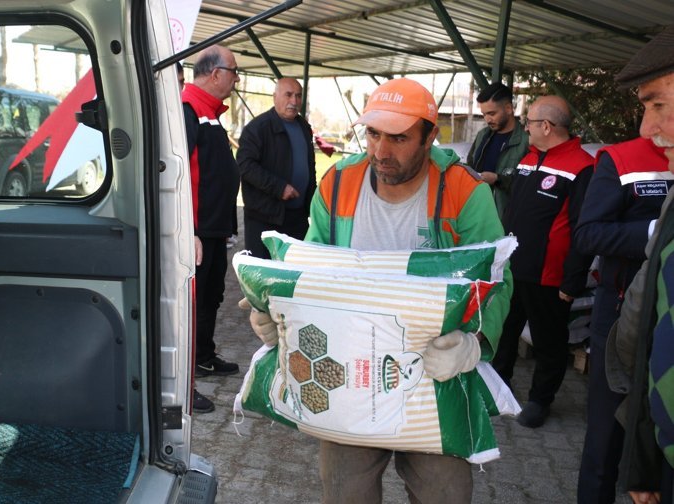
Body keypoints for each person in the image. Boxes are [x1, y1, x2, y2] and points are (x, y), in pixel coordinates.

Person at [246, 78, 512, 503]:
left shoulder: (464, 190)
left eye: (399, 138)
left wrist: (474, 344)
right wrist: (277, 314)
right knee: (345, 492)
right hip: (348, 374)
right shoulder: (338, 182)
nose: (381, 151)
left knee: (445, 493)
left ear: (429, 136)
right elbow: (310, 270)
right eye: (373, 134)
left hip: (433, 375)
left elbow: (497, 279)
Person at [575, 27, 674, 501]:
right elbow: (587, 234)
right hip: (618, 317)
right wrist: (658, 232)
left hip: (659, 322)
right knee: (605, 438)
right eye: (647, 107)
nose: (647, 126)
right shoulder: (620, 158)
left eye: (658, 105)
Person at [491, 95, 594, 428]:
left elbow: (583, 228)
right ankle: (498, 388)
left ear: (546, 126)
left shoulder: (582, 167)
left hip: (549, 276)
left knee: (549, 343)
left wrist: (572, 279)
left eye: (530, 122)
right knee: (504, 333)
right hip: (513, 268)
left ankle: (539, 401)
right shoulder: (529, 158)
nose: (525, 128)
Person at [181, 45, 242, 413]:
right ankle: (181, 383)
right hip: (198, 233)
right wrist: (189, 230)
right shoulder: (188, 110)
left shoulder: (210, 113)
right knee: (191, 306)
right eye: (234, 71)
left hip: (214, 230)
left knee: (211, 298)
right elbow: (177, 175)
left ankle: (203, 357)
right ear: (216, 73)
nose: (237, 79)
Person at [236, 77, 316, 259]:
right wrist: (279, 188)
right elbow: (245, 165)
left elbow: (309, 167)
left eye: (298, 96)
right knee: (264, 271)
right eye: (288, 95)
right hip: (265, 218)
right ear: (275, 97)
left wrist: (313, 199)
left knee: (295, 267)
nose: (294, 101)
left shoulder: (304, 127)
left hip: (297, 217)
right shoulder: (258, 128)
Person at [467, 82, 530, 221]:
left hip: (505, 219)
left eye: (492, 113)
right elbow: (470, 166)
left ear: (508, 108)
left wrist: (498, 179)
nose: (487, 119)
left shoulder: (527, 141)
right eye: (484, 114)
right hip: (476, 214)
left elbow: (529, 186)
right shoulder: (483, 135)